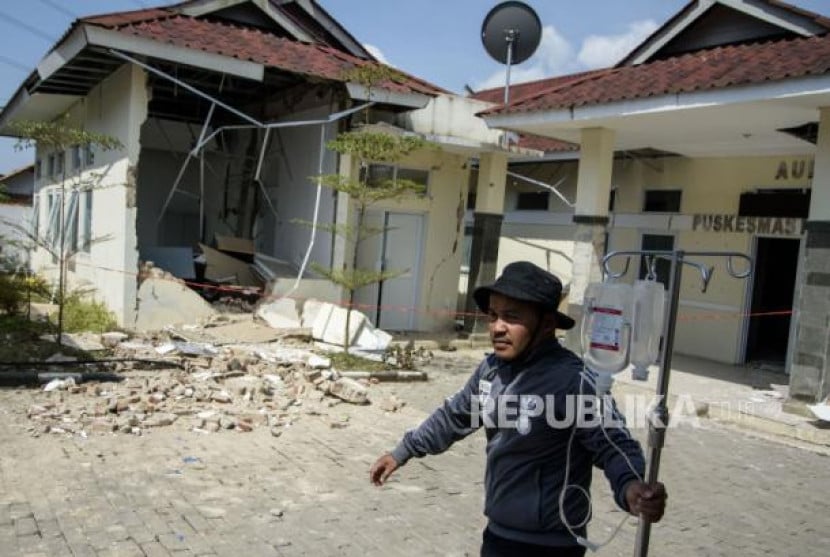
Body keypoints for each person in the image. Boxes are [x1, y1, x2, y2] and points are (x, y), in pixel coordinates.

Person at [369, 261, 667, 556]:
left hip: (552, 546)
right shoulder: (490, 370)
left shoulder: (572, 381)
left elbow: (613, 444)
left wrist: (632, 487)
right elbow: (453, 416)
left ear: (547, 323)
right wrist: (402, 452)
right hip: (498, 537)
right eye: (493, 315)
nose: (498, 327)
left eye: (511, 317)